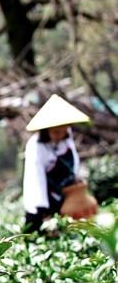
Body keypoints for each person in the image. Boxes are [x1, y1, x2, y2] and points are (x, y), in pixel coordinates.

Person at [23, 94, 95, 232]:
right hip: (41, 198)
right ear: (46, 128)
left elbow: (74, 162)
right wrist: (42, 209)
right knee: (37, 232)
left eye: (63, 131)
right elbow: (36, 178)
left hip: (63, 195)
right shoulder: (36, 146)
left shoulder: (67, 138)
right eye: (56, 132)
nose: (59, 135)